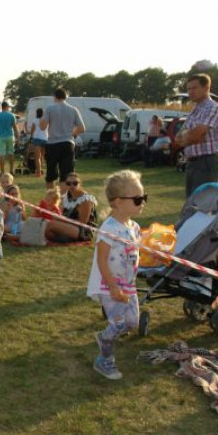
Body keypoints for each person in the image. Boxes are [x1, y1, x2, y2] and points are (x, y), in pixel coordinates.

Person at [86, 170, 147, 380]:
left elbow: (134, 253)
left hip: (128, 285)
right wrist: (112, 287)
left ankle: (104, 337)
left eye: (143, 198)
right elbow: (102, 260)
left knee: (132, 323)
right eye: (138, 199)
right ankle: (105, 360)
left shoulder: (134, 227)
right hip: (110, 285)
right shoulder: (108, 229)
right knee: (118, 323)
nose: (142, 203)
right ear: (119, 202)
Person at [174, 74, 218, 196]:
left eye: (194, 88)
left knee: (202, 205)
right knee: (191, 204)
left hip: (206, 162)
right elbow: (178, 137)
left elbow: (196, 136)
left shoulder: (213, 107)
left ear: (206, 87)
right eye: (188, 89)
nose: (190, 92)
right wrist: (190, 136)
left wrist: (188, 136)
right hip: (192, 162)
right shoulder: (195, 109)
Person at [42, 88, 84, 187]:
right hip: (67, 143)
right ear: (66, 97)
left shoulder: (49, 108)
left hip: (52, 144)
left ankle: (51, 200)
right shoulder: (73, 109)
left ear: (55, 97)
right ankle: (65, 200)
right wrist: (72, 134)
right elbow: (82, 128)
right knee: (66, 176)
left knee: (51, 176)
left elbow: (43, 126)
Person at [44, 173, 98, 242]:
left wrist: (62, 220)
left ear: (80, 184)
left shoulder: (85, 199)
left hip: (83, 231)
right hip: (70, 226)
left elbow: (82, 224)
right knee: (47, 228)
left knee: (50, 225)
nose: (71, 186)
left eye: (75, 183)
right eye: (68, 183)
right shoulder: (66, 197)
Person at [0, 101, 20, 177]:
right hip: (10, 136)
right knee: (11, 153)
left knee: (1, 154)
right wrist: (18, 137)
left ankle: (2, 172)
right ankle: (11, 171)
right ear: (7, 107)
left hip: (1, 137)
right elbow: (14, 127)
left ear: (1, 107)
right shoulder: (12, 115)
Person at [28, 107, 48, 177]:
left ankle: (38, 172)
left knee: (37, 157)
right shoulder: (46, 120)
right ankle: (41, 170)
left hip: (36, 139)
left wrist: (31, 136)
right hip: (45, 139)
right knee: (42, 156)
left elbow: (32, 131)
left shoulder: (35, 120)